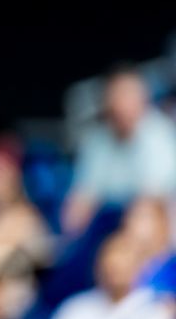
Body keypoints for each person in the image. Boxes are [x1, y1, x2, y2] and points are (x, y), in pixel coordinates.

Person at [62, 65, 176, 235]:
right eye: (116, 95)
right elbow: (82, 198)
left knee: (142, 223)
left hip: (156, 224)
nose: (121, 104)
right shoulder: (97, 140)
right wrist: (71, 234)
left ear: (143, 97)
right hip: (110, 225)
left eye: (128, 94)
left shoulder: (160, 134)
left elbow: (152, 202)